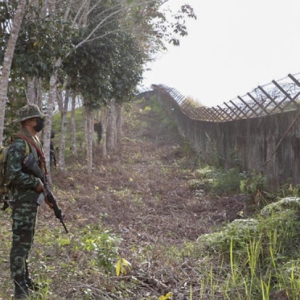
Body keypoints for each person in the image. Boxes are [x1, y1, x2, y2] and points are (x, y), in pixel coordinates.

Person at [6, 104, 50, 299]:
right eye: (38, 118)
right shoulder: (19, 144)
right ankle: (19, 287)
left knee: (26, 242)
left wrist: (44, 192)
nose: (41, 121)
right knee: (20, 243)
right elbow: (12, 174)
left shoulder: (34, 140)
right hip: (22, 201)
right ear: (30, 121)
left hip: (30, 200)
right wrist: (35, 183)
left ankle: (25, 279)